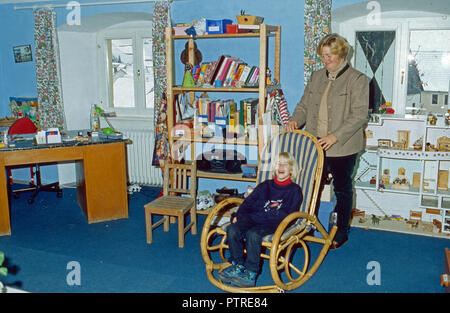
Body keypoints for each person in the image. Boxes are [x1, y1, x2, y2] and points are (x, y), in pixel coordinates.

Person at [285, 33, 369, 250]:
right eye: (323, 56)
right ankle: (304, 226)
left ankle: (341, 232)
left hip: (343, 147)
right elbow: (304, 105)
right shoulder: (316, 77)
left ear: (341, 55)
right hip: (315, 145)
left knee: (342, 189)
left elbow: (359, 115)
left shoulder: (358, 80)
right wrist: (295, 120)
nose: (325, 60)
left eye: (329, 56)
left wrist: (335, 136)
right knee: (307, 187)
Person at [218, 152, 303, 288]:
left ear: (292, 169)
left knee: (253, 234)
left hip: (275, 223)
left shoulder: (294, 191)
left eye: (285, 164)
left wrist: (257, 217)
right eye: (277, 163)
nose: (280, 166)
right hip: (254, 218)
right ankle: (238, 265)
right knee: (233, 229)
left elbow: (287, 214)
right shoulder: (265, 185)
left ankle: (251, 272)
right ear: (274, 168)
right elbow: (248, 203)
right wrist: (238, 215)